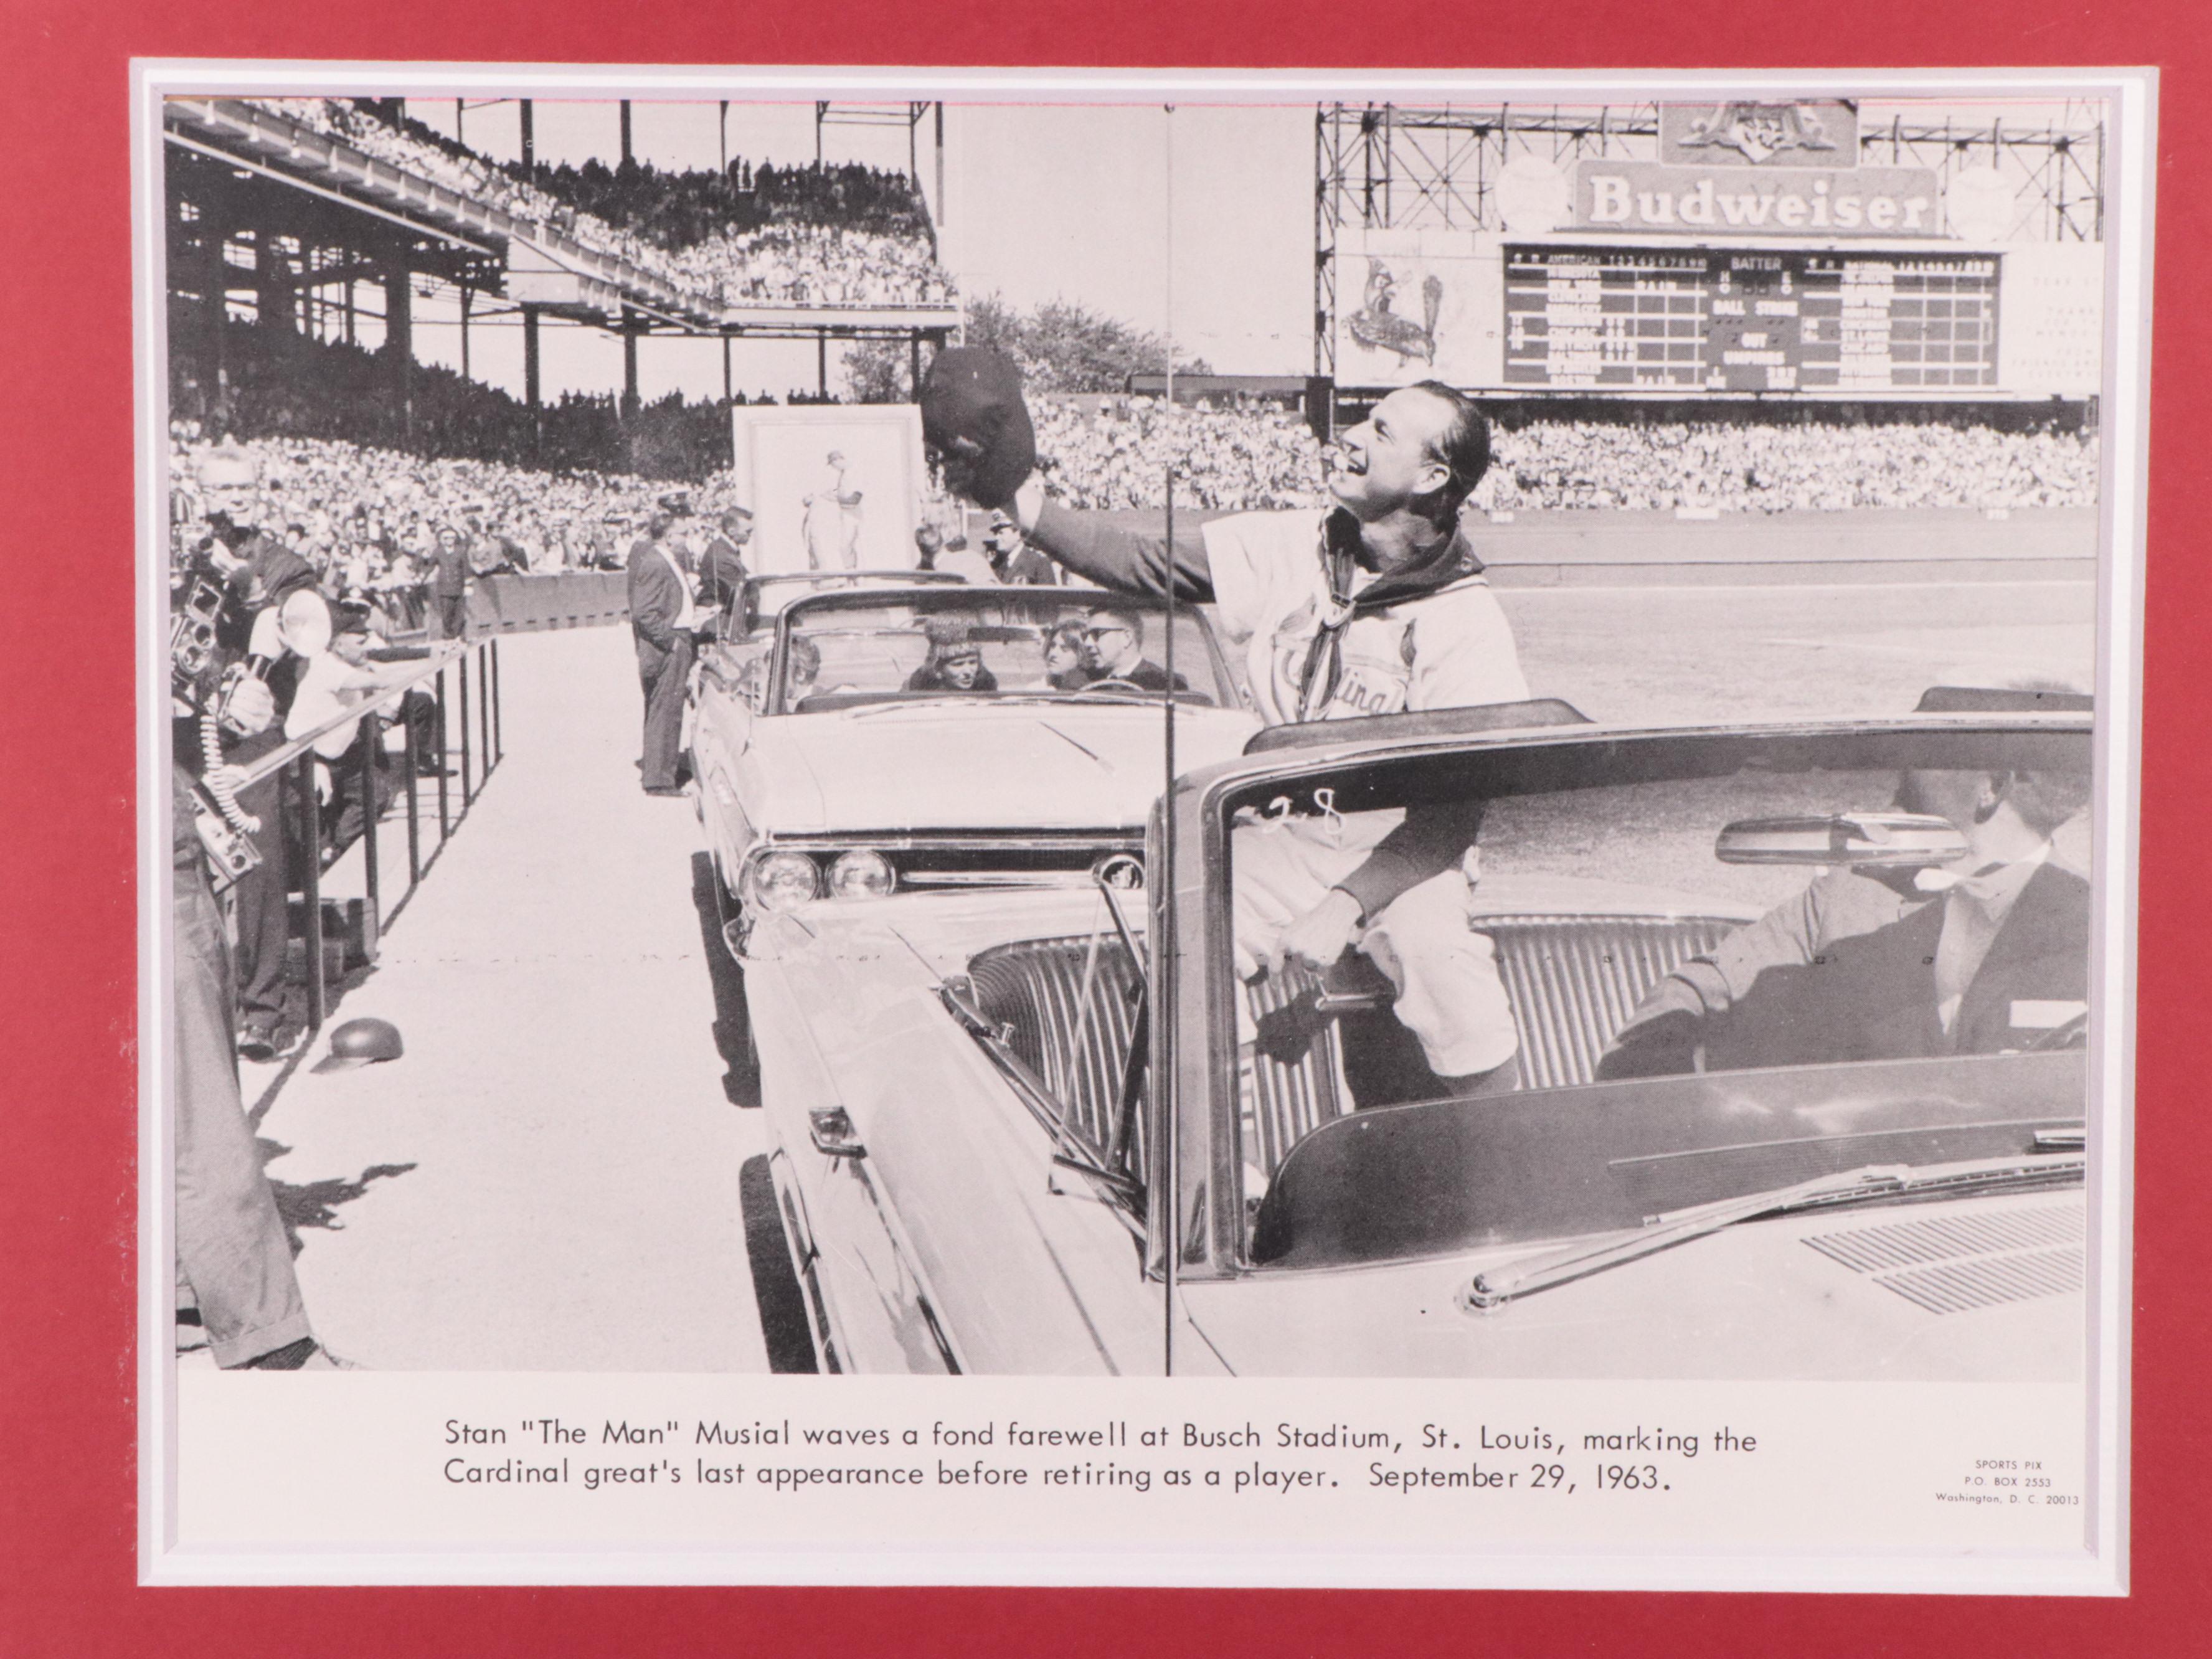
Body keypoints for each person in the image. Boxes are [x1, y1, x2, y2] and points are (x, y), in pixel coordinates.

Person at [923, 349, 1529, 1093]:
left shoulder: (1465, 618)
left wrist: (1345, 904)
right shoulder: (1297, 543)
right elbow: (1149, 563)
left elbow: (1453, 815)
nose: (1351, 436)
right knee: (1180, 938)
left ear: (1433, 478)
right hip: (1288, 833)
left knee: (1435, 953)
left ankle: (1509, 1157)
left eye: (1382, 430)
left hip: (1402, 847)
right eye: (1363, 419)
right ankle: (1223, 1178)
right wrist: (1024, 505)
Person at [1600, 759, 2093, 1079]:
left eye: (1913, 770)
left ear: (1992, 785)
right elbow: (1696, 993)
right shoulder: (1847, 894)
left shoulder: (2105, 925)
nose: (1892, 797)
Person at [628, 514, 699, 796]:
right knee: (664, 711)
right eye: (682, 533)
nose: (686, 538)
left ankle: (665, 767)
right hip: (669, 644)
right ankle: (659, 780)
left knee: (669, 710)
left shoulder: (664, 559)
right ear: (668, 536)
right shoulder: (656, 562)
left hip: (677, 638)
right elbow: (644, 612)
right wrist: (670, 642)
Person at [1079, 605, 1188, 692]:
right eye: (1085, 636)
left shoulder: (1166, 685)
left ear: (1127, 638)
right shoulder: (1080, 681)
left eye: (1096, 634)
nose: (1087, 643)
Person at [904, 620, 999, 693]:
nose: (968, 672)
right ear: (938, 669)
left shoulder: (987, 688)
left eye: (973, 662)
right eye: (958, 664)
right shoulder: (917, 689)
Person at [697, 507, 754, 628]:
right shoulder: (721, 556)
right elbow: (738, 593)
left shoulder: (726, 549)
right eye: (748, 532)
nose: (750, 535)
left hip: (727, 615)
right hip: (718, 619)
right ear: (732, 531)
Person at [430, 524, 470, 641]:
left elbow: (466, 568)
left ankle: (458, 636)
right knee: (447, 614)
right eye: (446, 538)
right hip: (444, 587)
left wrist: (468, 585)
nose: (449, 541)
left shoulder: (461, 551)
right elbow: (429, 565)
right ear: (443, 540)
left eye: (452, 538)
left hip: (458, 587)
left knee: (459, 614)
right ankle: (448, 637)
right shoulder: (438, 552)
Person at [1042, 620, 1093, 691]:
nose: (1053, 653)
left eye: (1064, 648)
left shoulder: (1083, 690)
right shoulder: (1045, 684)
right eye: (1052, 646)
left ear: (1082, 654)